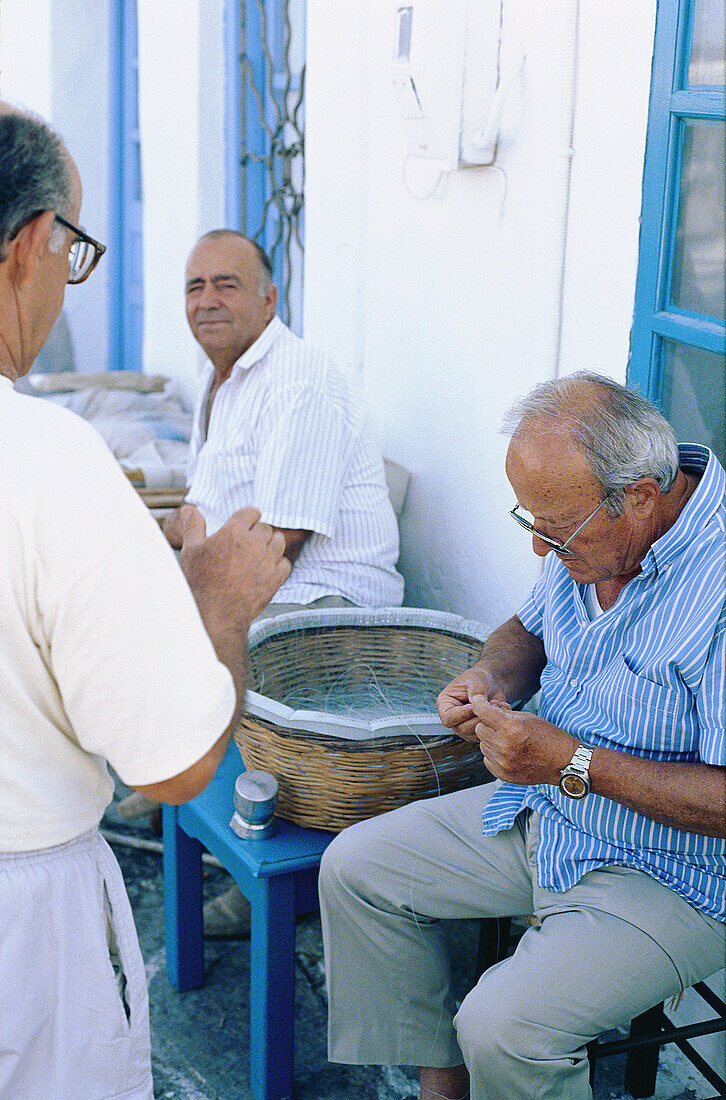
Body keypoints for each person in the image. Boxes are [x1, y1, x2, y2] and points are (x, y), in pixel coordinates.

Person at [318, 371, 726, 1100]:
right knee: (357, 870)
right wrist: (490, 680)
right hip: (549, 813)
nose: (541, 550)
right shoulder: (589, 535)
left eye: (555, 530)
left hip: (677, 873)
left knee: (505, 1026)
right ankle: (440, 1088)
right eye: (528, 524)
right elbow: (527, 630)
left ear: (638, 496)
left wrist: (570, 761)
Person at [0, 104, 290, 1099]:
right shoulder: (44, 458)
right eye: (72, 251)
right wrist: (214, 609)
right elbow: (174, 764)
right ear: (31, 245)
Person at [158, 228, 405, 936]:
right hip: (276, 590)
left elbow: (275, 543)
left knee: (179, 628)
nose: (207, 300)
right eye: (194, 286)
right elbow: (206, 512)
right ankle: (177, 775)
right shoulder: (229, 379)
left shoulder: (300, 378)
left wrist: (188, 576)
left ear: (270, 299)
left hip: (325, 608)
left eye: (226, 284)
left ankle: (238, 844)